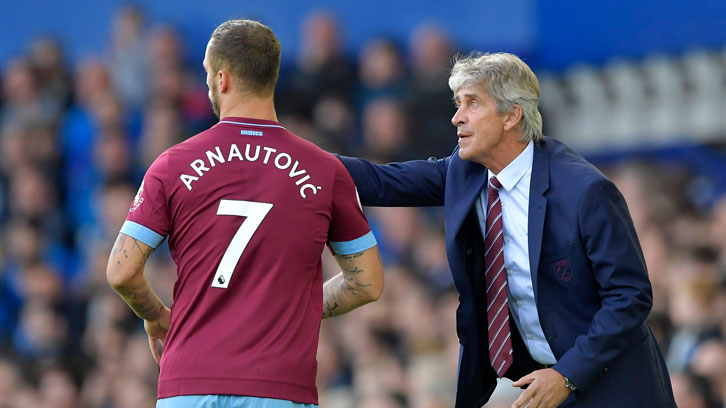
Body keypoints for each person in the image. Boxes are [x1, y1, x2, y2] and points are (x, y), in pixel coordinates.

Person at [338, 52, 676, 407]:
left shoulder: (584, 191)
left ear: (511, 115)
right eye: (458, 104)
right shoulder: (464, 172)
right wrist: (290, 160)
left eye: (472, 104)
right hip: (535, 382)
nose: (457, 117)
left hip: (614, 385)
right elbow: (382, 181)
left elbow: (629, 297)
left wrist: (567, 375)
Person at [106, 19, 384, 408]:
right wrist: (294, 305)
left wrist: (155, 316)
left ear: (221, 79)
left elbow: (121, 271)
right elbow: (367, 282)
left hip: (188, 385)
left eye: (206, 73)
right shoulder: (324, 170)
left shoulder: (173, 164)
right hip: (279, 388)